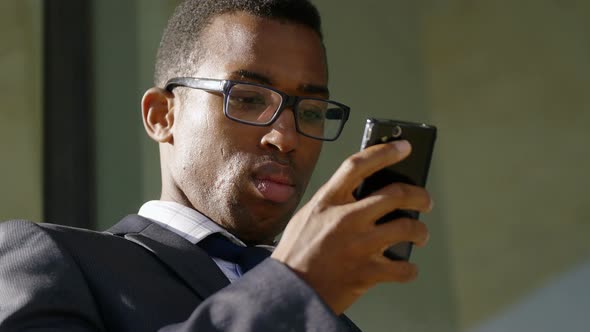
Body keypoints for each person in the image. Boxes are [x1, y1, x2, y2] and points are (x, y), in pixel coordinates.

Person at [0, 0, 432, 331]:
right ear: (161, 116)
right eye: (247, 98)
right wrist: (293, 287)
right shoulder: (49, 258)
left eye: (312, 110)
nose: (285, 137)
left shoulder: (333, 319)